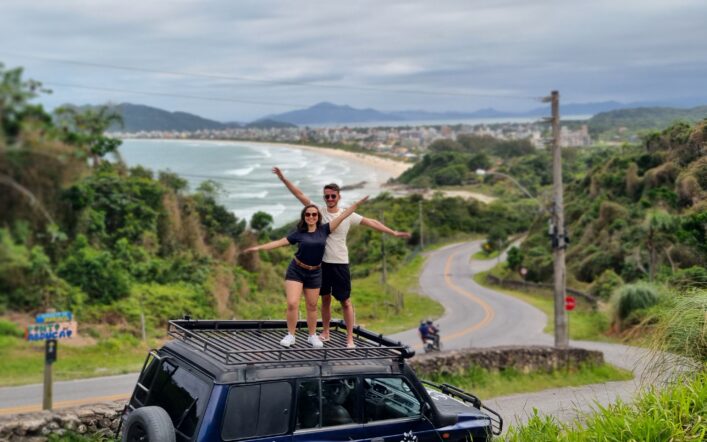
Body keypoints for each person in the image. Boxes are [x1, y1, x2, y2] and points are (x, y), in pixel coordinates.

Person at [273, 167, 411, 348]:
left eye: (333, 196)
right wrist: (283, 178)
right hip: (321, 265)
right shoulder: (318, 212)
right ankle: (326, 332)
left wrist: (393, 232)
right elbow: (299, 194)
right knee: (325, 300)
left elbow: (372, 222)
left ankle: (350, 339)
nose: (329, 199)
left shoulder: (348, 215)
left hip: (340, 264)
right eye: (326, 196)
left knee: (345, 301)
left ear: (338, 197)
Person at [244, 196, 368, 348]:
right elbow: (279, 243)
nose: (311, 217)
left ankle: (312, 336)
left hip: (315, 273)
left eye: (314, 214)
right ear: (304, 217)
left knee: (312, 306)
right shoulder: (299, 233)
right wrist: (257, 248)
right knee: (292, 303)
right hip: (296, 270)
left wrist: (358, 203)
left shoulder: (325, 229)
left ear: (318, 217)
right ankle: (291, 335)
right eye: (308, 214)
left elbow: (343, 215)